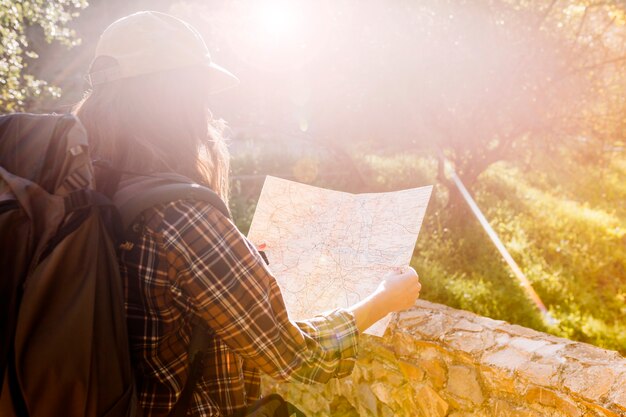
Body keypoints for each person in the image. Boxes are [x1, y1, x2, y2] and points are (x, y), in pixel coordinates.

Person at [74, 11, 422, 417]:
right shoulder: (182, 218)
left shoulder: (79, 180)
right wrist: (385, 298)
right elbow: (295, 356)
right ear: (175, 101)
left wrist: (235, 255)